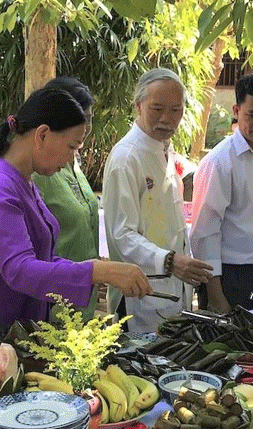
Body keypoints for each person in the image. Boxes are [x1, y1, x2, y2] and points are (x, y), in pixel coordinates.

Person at [0, 87, 152, 341]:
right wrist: (97, 272)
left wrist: (96, 270)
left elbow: (43, 257)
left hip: (17, 330)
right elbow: (20, 270)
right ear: (42, 135)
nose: (74, 156)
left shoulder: (23, 180)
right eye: (72, 146)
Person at [102, 68, 213, 332]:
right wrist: (170, 260)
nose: (167, 119)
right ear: (138, 105)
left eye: (176, 110)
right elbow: (121, 235)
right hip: (139, 299)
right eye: (157, 109)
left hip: (171, 290)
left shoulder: (163, 147)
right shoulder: (126, 158)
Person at [190, 73, 253, 313]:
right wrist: (216, 297)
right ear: (236, 111)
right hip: (231, 279)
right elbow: (204, 234)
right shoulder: (219, 162)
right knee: (233, 348)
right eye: (252, 115)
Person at [32, 77, 99, 320]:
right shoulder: (41, 170)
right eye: (81, 117)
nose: (86, 125)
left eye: (90, 118)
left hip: (84, 299)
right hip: (53, 304)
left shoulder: (73, 162)